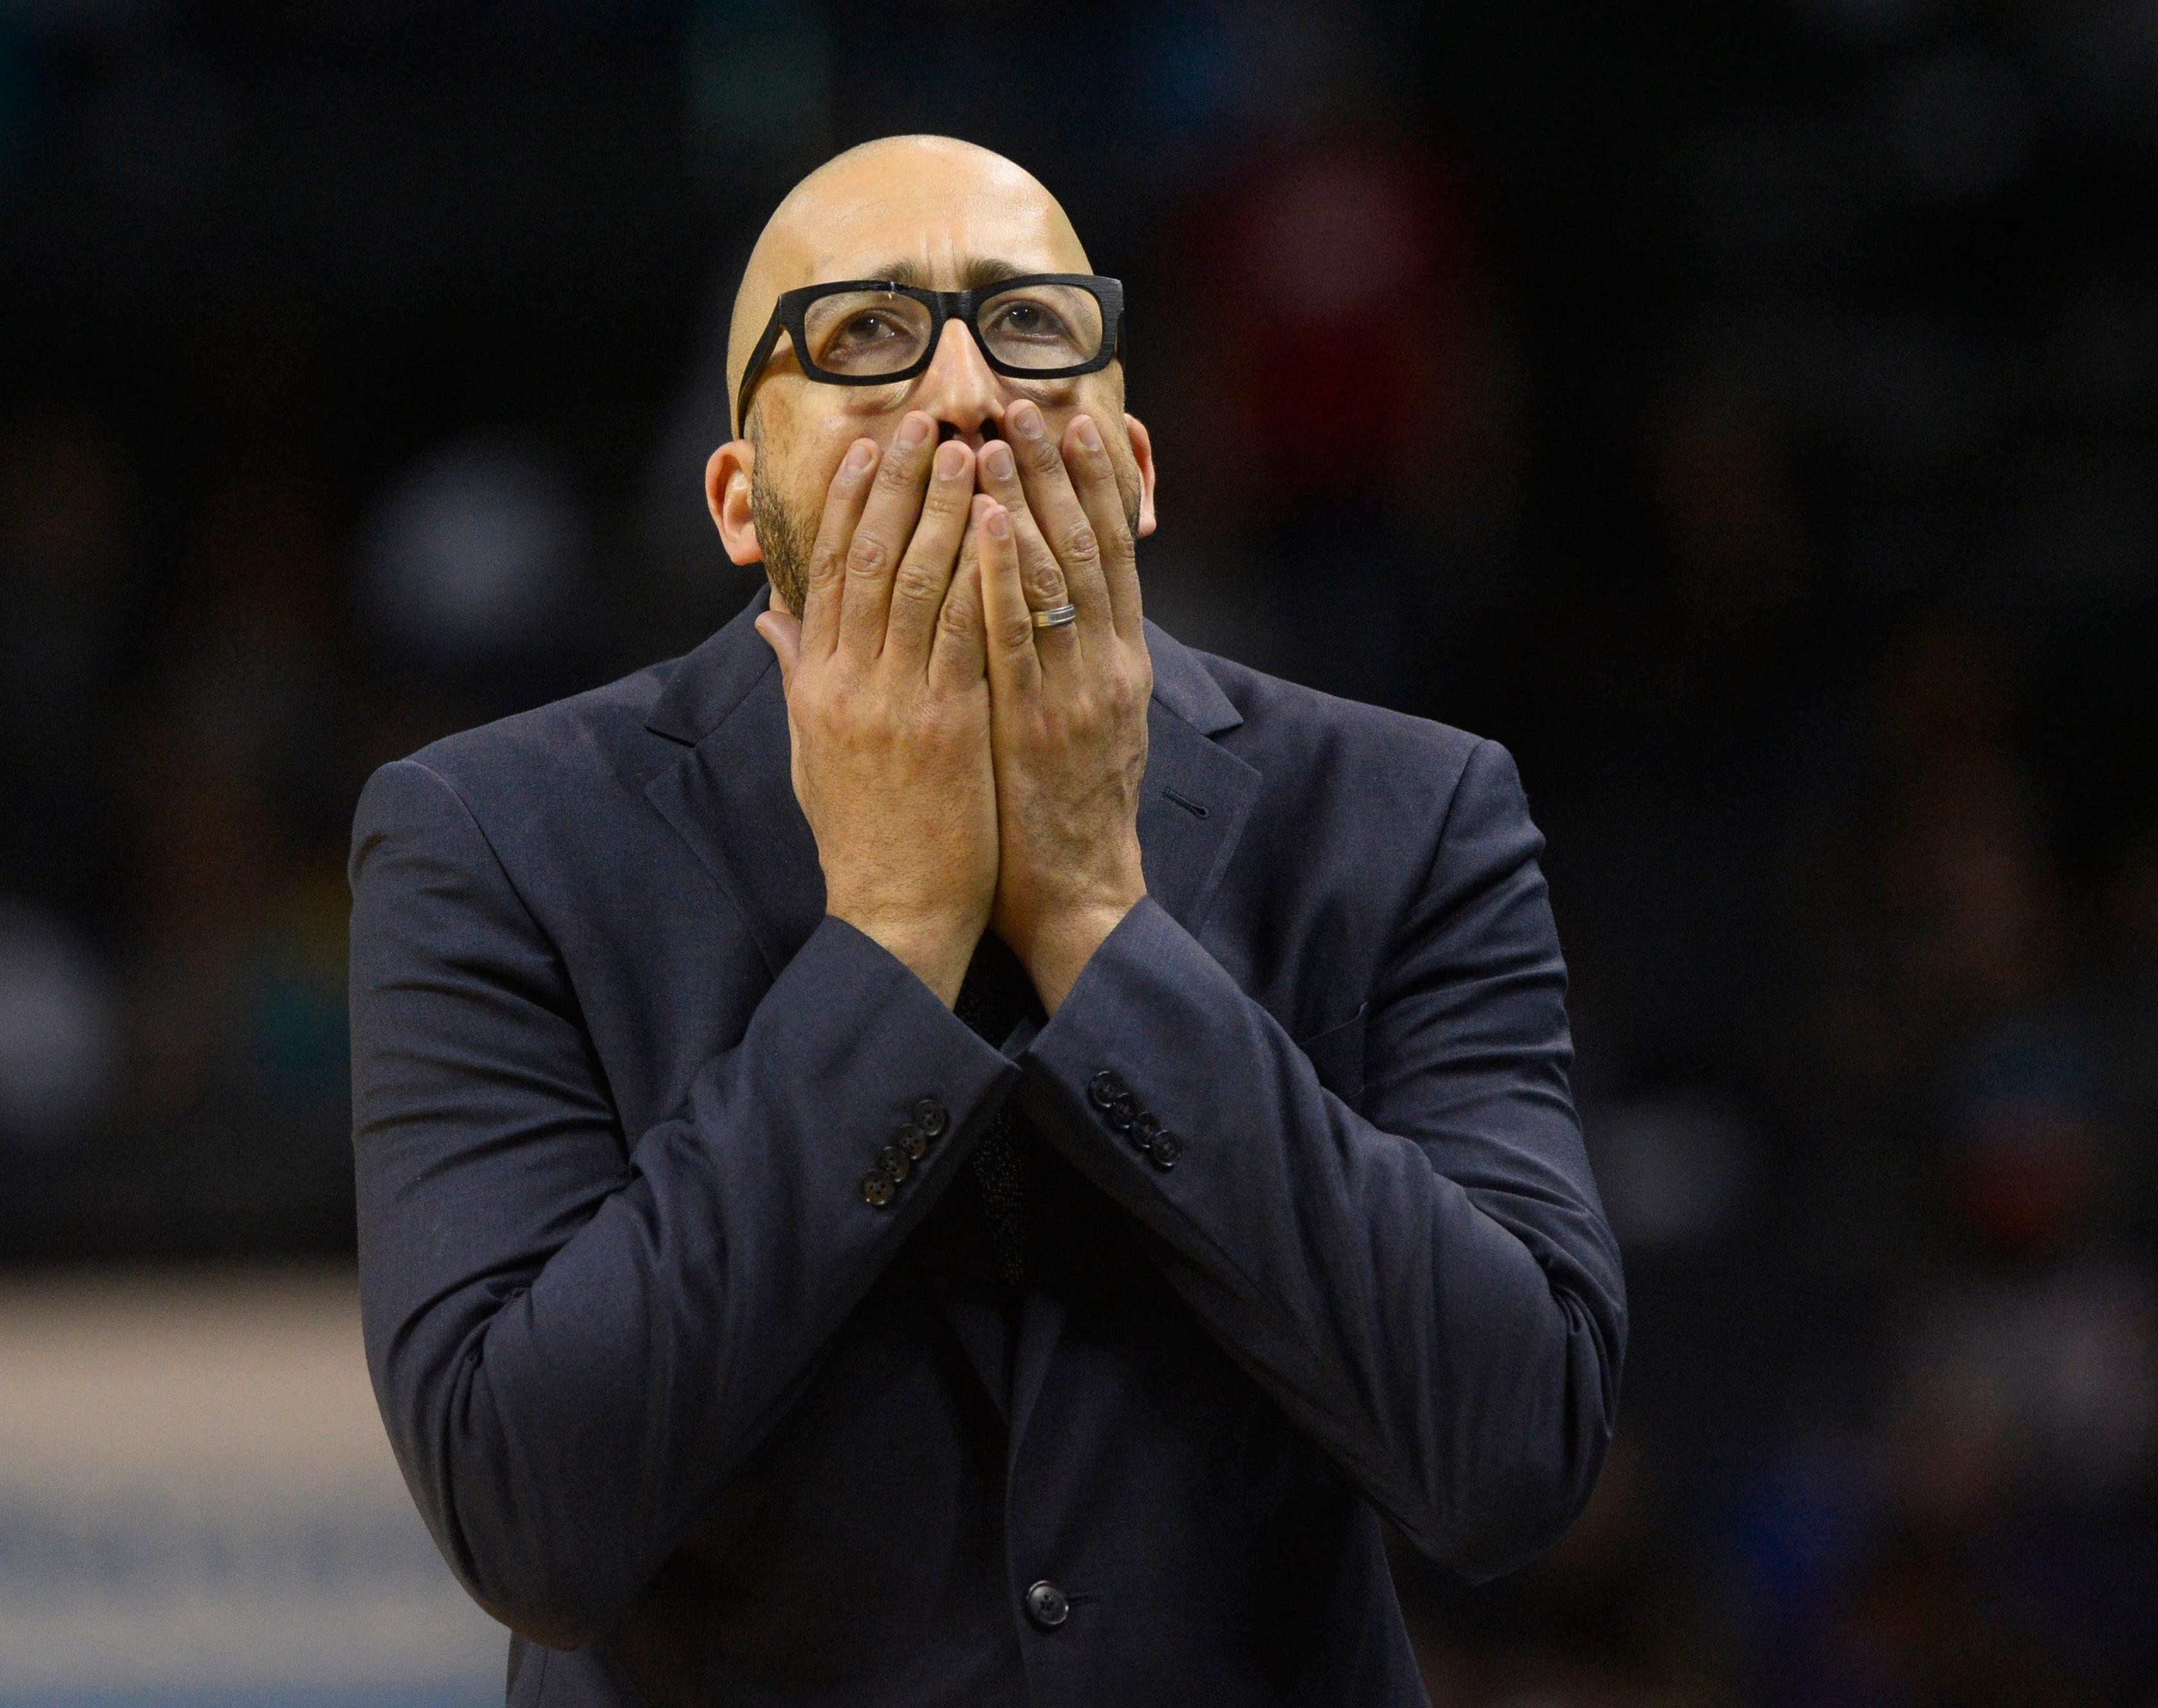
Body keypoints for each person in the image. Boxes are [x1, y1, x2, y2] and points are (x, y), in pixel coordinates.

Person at [348, 134, 1625, 1707]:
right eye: (867, 336)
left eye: (1031, 327)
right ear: (742, 501)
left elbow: (1512, 1457)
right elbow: (530, 1517)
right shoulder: (497, 839)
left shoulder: (1406, 814)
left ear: (1138, 466)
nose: (966, 393)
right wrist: (886, 938)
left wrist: (1099, 918)